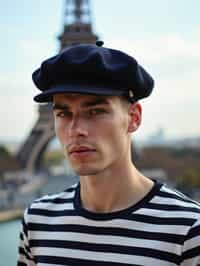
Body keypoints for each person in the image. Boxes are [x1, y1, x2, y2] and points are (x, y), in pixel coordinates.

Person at [18, 41, 200, 266]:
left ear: (134, 118)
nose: (76, 130)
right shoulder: (37, 221)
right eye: (63, 114)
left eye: (95, 111)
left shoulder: (190, 231)